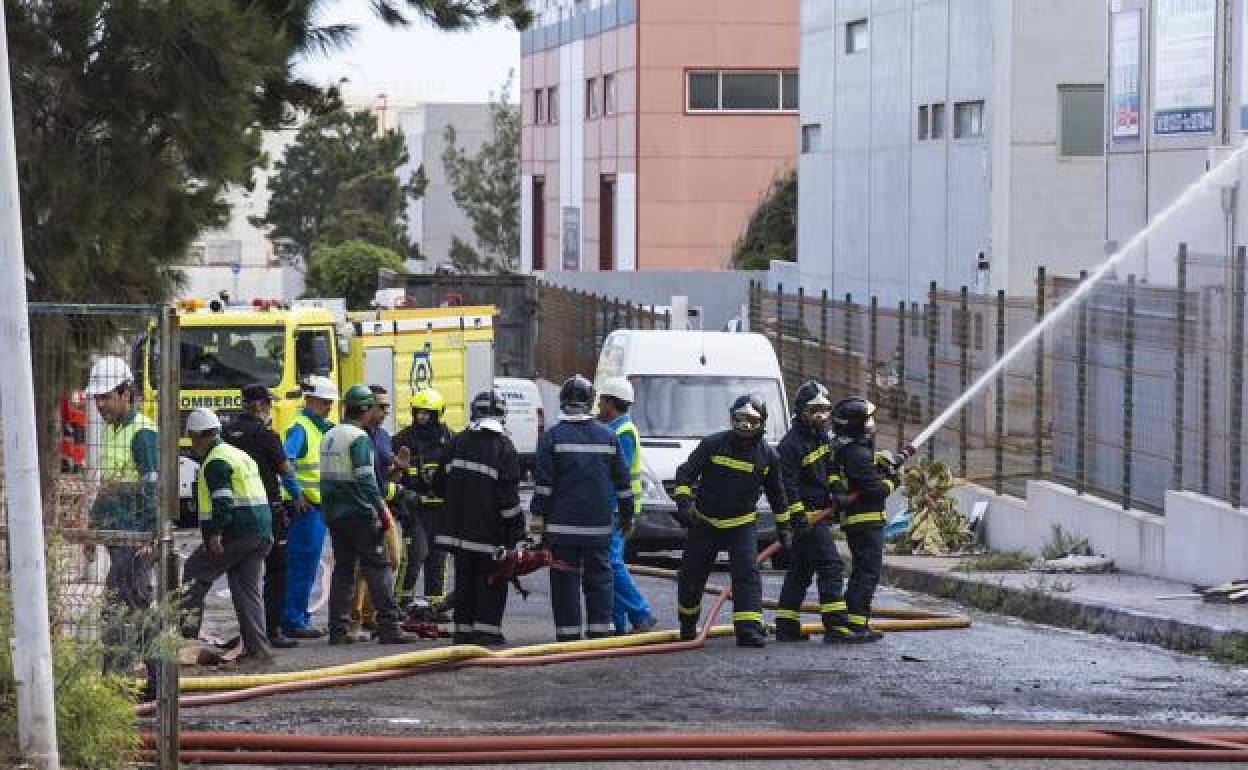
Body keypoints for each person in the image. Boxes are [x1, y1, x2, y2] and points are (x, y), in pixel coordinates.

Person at [671, 394, 788, 648]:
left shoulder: (768, 457)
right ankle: (688, 626)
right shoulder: (712, 444)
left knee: (746, 576)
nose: (745, 426)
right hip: (705, 522)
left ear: (762, 423)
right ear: (732, 419)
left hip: (741, 524)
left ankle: (748, 630)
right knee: (691, 575)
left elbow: (778, 495)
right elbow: (685, 475)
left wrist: (784, 527)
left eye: (751, 420)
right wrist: (684, 504)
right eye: (740, 419)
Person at [531, 375, 631, 642]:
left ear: (563, 402)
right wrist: (627, 516)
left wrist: (537, 521)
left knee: (564, 581)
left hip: (561, 529)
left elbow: (543, 487)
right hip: (598, 528)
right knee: (600, 578)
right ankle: (599, 631)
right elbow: (624, 484)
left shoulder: (551, 437)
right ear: (590, 402)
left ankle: (568, 636)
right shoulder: (609, 437)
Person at [320, 384, 416, 645]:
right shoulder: (359, 439)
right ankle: (389, 627)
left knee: (344, 570)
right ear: (364, 409)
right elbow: (366, 480)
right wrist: (381, 512)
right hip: (359, 513)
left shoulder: (330, 435)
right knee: (379, 567)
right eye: (375, 407)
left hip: (333, 513)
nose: (378, 411)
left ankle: (338, 630)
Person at [84, 356, 159, 685]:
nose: (100, 405)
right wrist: (92, 530)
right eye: (97, 398)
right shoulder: (113, 433)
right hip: (118, 536)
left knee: (118, 608)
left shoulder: (142, 434)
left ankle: (115, 682)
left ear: (127, 393)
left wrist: (151, 533)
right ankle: (156, 682)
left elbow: (154, 486)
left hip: (136, 538)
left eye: (106, 397)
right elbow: (107, 487)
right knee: (137, 608)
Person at [179, 408, 274, 663]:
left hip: (237, 530)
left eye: (192, 438)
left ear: (198, 436)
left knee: (194, 573)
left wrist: (215, 533)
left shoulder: (215, 462)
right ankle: (258, 650)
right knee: (246, 590)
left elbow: (223, 502)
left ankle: (184, 640)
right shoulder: (238, 455)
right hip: (260, 530)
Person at [774, 381, 864, 644]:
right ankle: (835, 626)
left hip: (819, 512)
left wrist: (837, 490)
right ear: (801, 411)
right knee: (831, 566)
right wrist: (798, 516)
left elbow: (831, 467)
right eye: (814, 411)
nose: (821, 417)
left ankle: (786, 624)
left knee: (801, 569)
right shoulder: (790, 446)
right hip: (808, 517)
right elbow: (786, 487)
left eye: (824, 411)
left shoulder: (821, 438)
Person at [434, 388, 524, 646]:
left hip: (458, 534)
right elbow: (508, 500)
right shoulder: (504, 448)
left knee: (464, 581)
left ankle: (462, 631)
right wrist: (517, 531)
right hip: (489, 535)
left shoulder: (457, 442)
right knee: (491, 581)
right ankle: (487, 632)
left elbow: (439, 485)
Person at [224, 384, 300, 649]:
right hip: (268, 507)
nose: (270, 409)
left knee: (242, 575)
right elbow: (285, 469)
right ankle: (273, 629)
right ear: (258, 406)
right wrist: (298, 492)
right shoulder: (266, 435)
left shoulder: (227, 432)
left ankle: (250, 631)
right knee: (277, 569)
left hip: (234, 510)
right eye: (268, 404)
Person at [830, 397, 900, 642]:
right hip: (865, 522)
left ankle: (855, 621)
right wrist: (893, 481)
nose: (871, 424)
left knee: (862, 571)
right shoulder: (857, 454)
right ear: (855, 425)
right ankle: (858, 624)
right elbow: (875, 490)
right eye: (867, 419)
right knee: (867, 572)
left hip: (860, 521)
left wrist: (879, 463)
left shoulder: (851, 450)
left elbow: (864, 475)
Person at [595, 376, 657, 635]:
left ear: (612, 403)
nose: (598, 407)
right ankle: (618, 622)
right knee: (609, 564)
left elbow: (616, 476)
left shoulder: (622, 433)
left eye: (602, 402)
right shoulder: (617, 430)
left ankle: (641, 613)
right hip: (617, 507)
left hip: (617, 509)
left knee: (611, 563)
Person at [280, 375, 337, 639]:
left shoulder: (318, 428)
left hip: (316, 508)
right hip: (307, 509)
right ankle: (294, 620)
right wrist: (296, 494)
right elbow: (286, 462)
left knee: (308, 565)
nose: (329, 408)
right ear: (311, 400)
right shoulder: (301, 428)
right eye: (325, 403)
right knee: (303, 565)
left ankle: (298, 616)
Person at [350, 385, 407, 637]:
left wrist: (400, 468)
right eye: (380, 406)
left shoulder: (383, 437)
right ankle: (355, 617)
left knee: (392, 559)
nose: (385, 412)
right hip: (360, 503)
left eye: (387, 407)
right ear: (366, 406)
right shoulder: (355, 435)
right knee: (358, 566)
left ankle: (369, 614)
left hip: (381, 503)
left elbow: (385, 475)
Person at [391, 388, 454, 611]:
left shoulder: (449, 440)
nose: (422, 418)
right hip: (415, 508)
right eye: (419, 413)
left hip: (442, 510)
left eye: (427, 414)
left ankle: (435, 605)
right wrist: (401, 495)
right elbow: (389, 472)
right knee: (414, 555)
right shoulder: (403, 439)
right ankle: (400, 602)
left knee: (438, 557)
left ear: (437, 415)